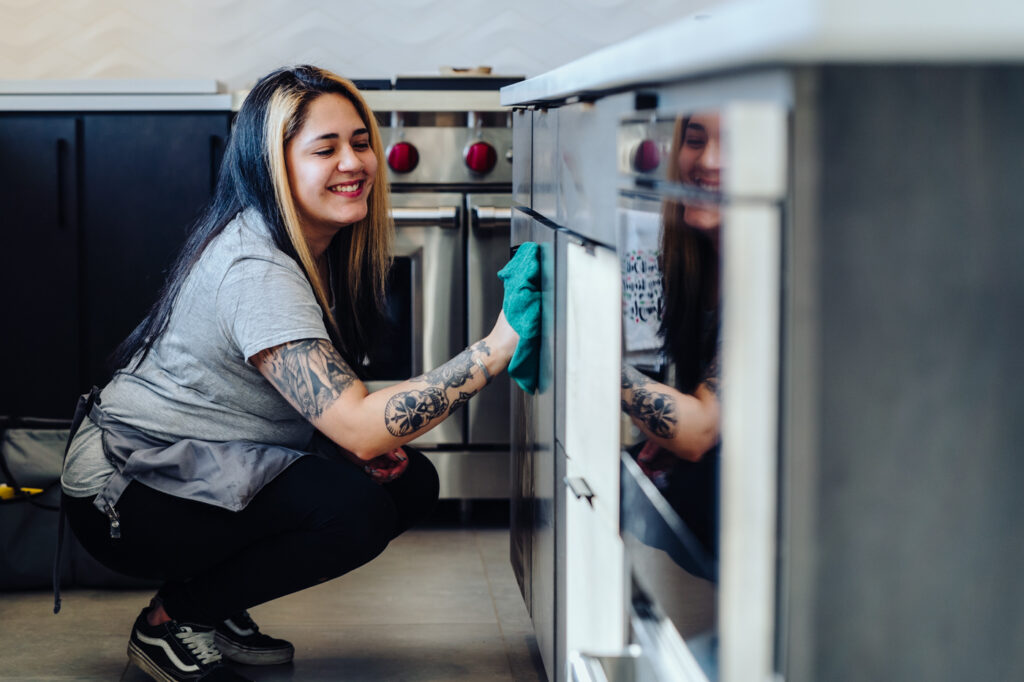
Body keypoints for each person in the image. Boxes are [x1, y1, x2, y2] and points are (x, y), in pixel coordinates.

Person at [58, 65, 520, 682]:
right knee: (353, 508)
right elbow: (360, 426)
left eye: (360, 142)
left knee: (405, 483)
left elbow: (309, 405)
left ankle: (215, 602)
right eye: (324, 149)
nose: (353, 163)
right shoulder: (257, 269)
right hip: (126, 490)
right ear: (274, 167)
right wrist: (495, 348)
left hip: (195, 462)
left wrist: (341, 443)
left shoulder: (314, 245)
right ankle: (175, 619)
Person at [620, 112, 722, 560]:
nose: (709, 161)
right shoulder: (701, 264)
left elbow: (699, 430)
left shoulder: (777, 272)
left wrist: (584, 354)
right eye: (695, 141)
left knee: (696, 482)